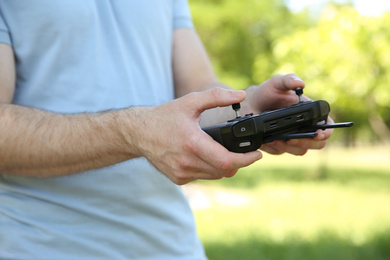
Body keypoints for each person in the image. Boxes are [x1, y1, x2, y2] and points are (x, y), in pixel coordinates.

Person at [0, 1, 333, 259]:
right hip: (41, 246)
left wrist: (252, 107)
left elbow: (199, 92)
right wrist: (132, 132)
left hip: (175, 246)